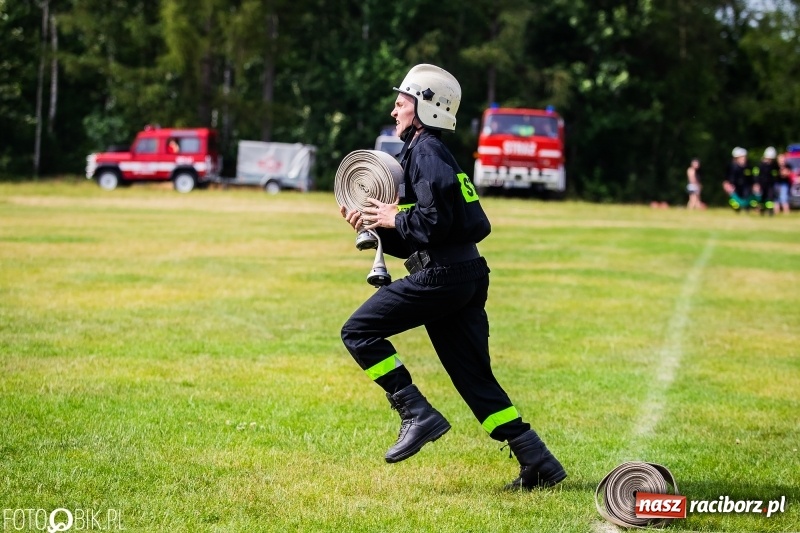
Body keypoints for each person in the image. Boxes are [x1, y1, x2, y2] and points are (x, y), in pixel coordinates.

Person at [338, 64, 566, 490]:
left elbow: (432, 222)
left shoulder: (426, 152)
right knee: (473, 378)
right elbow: (426, 235)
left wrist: (394, 215)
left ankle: (416, 414)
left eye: (401, 102)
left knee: (359, 332)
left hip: (444, 277)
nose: (394, 110)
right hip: (461, 274)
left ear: (424, 106)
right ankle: (537, 460)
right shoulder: (428, 152)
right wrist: (374, 225)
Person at [723, 147, 755, 212]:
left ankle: (747, 208)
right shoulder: (732, 167)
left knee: (747, 198)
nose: (744, 159)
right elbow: (727, 177)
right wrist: (727, 184)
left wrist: (753, 185)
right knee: (735, 200)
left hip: (745, 186)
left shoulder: (748, 167)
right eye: (742, 157)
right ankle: (736, 208)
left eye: (744, 157)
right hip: (735, 187)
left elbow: (751, 178)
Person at [755, 147, 778, 215]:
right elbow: (756, 175)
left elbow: (775, 174)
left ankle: (770, 211)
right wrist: (756, 183)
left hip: (770, 184)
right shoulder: (760, 165)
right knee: (762, 198)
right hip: (762, 184)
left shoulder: (773, 165)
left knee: (770, 197)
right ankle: (762, 210)